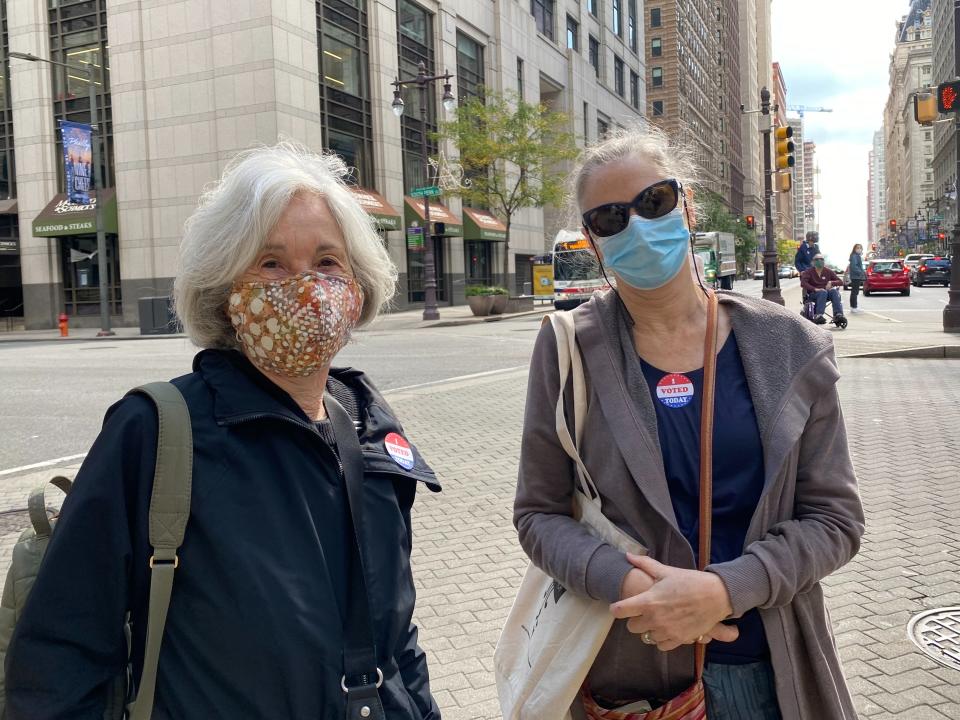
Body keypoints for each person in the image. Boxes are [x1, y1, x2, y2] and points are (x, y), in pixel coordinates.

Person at [5, 142, 442, 720]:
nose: (306, 287)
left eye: (328, 261)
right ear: (225, 290)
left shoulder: (369, 427)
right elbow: (60, 660)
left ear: (357, 285)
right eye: (271, 263)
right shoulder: (155, 433)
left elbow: (396, 635)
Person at [515, 126, 864, 720]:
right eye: (609, 219)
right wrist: (630, 586)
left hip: (771, 671)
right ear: (593, 243)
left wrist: (729, 588)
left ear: (687, 205)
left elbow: (835, 518)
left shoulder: (791, 346)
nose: (636, 227)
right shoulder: (566, 347)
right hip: (631, 683)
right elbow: (538, 514)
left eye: (653, 202)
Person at [801, 253, 845, 324]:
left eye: (821, 259)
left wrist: (831, 282)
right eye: (817, 259)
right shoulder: (808, 272)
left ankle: (838, 314)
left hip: (826, 293)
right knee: (822, 292)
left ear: (824, 261)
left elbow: (841, 282)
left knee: (833, 291)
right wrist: (815, 289)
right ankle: (819, 315)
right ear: (813, 262)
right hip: (813, 294)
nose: (819, 261)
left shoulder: (828, 271)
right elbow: (803, 283)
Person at [848, 243, 866, 314]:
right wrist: (860, 272)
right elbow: (854, 267)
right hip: (855, 276)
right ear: (854, 249)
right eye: (857, 248)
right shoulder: (854, 256)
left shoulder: (857, 256)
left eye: (860, 248)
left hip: (856, 276)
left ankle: (855, 306)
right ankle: (853, 307)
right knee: (854, 292)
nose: (859, 249)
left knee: (855, 292)